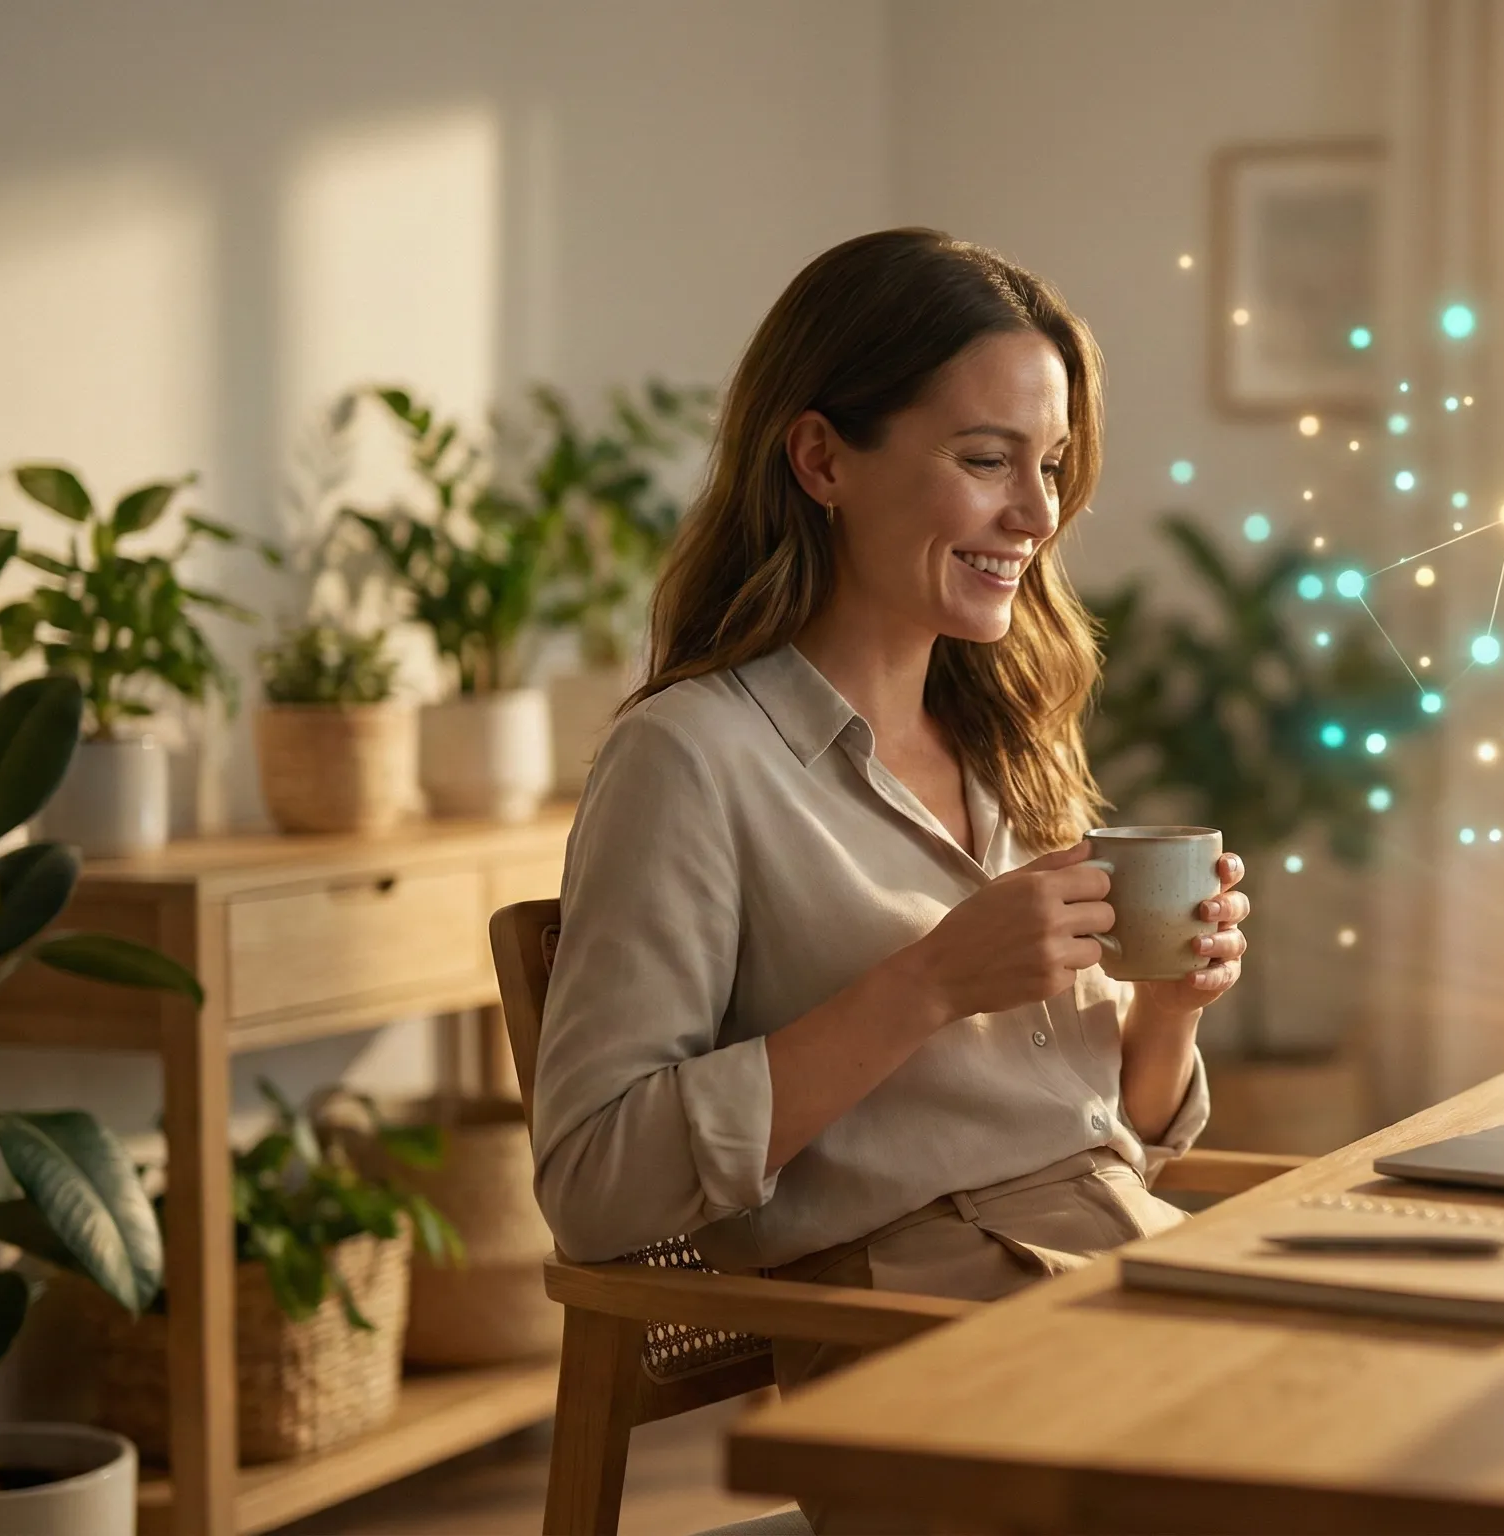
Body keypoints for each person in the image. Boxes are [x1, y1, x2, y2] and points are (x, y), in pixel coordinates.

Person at [529, 230, 1249, 1402]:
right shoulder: (690, 760)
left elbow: (1110, 1135)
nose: (1035, 513)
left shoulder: (1016, 736)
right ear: (821, 459)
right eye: (985, 459)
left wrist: (1167, 1015)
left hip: (1122, 1279)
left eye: (1053, 466)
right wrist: (924, 985)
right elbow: (595, 1182)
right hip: (914, 1348)